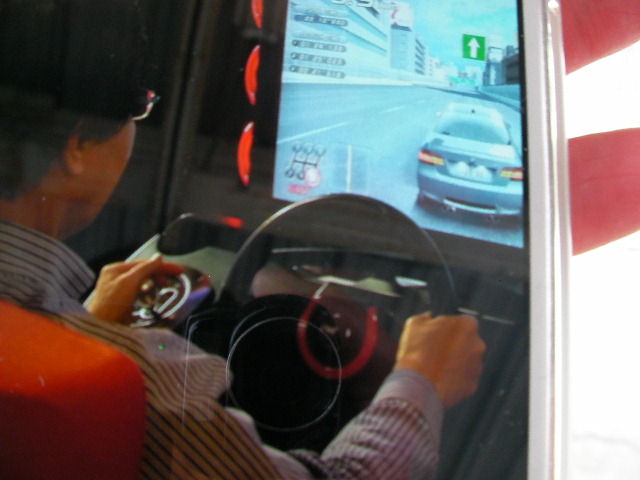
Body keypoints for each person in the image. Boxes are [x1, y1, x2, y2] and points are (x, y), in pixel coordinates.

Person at [0, 1, 485, 479]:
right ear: (79, 146)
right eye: (141, 106)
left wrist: (87, 323)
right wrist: (422, 380)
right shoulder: (126, 385)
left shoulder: (46, 333)